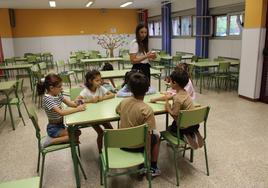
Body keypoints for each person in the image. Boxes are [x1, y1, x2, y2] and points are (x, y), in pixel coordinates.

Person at [116, 72, 161, 177]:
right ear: (147, 90)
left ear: (130, 88)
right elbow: (149, 135)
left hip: (122, 143)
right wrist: (147, 157)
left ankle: (142, 164)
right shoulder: (147, 110)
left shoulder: (123, 102)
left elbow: (117, 111)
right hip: (139, 146)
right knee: (157, 136)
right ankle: (153, 167)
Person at [150, 69, 203, 149]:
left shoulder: (177, 98)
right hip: (194, 124)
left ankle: (183, 135)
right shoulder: (185, 93)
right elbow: (169, 97)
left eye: (170, 81)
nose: (169, 83)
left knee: (169, 128)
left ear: (175, 83)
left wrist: (168, 108)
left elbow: (174, 114)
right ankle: (193, 132)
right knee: (186, 124)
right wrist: (155, 99)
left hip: (183, 127)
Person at [39, 73, 86, 148]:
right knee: (74, 137)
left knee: (77, 132)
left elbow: (70, 103)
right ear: (51, 88)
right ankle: (51, 140)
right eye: (59, 86)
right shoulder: (47, 99)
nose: (62, 88)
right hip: (53, 128)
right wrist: (78, 109)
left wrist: (78, 103)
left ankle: (60, 138)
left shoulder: (57, 94)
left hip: (60, 125)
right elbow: (61, 113)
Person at [76, 69, 115, 153]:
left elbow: (112, 95)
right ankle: (100, 152)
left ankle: (111, 150)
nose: (100, 82)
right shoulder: (85, 91)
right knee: (100, 132)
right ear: (90, 81)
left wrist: (102, 98)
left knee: (110, 129)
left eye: (100, 80)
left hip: (101, 115)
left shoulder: (100, 88)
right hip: (91, 117)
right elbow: (76, 101)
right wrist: (90, 100)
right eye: (97, 80)